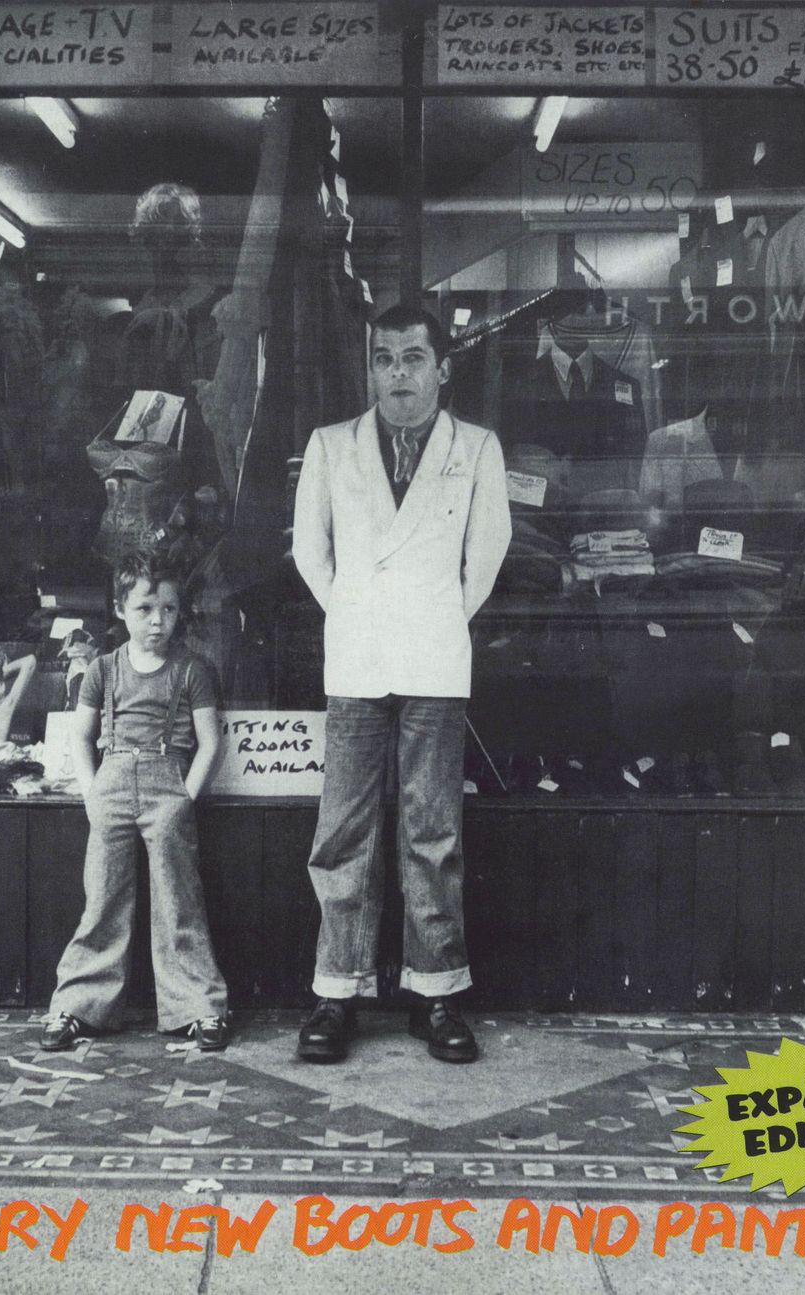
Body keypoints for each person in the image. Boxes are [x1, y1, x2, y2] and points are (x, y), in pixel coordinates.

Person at [291, 304, 511, 1064]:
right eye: (384, 359)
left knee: (432, 828)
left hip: (435, 656)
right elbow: (309, 552)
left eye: (413, 358)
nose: (397, 374)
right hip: (357, 654)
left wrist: (433, 614)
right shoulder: (332, 446)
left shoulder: (476, 449)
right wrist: (361, 612)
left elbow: (486, 555)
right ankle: (337, 990)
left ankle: (436, 990)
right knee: (343, 828)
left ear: (443, 368)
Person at [41, 550, 229, 1052]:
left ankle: (200, 1008)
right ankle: (78, 1006)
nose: (158, 621)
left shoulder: (192, 670)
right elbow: (81, 737)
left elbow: (211, 742)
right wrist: (92, 793)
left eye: (169, 609)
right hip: (113, 781)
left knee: (178, 900)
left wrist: (186, 797)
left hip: (169, 784)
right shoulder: (103, 669)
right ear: (120, 608)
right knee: (103, 898)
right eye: (145, 609)